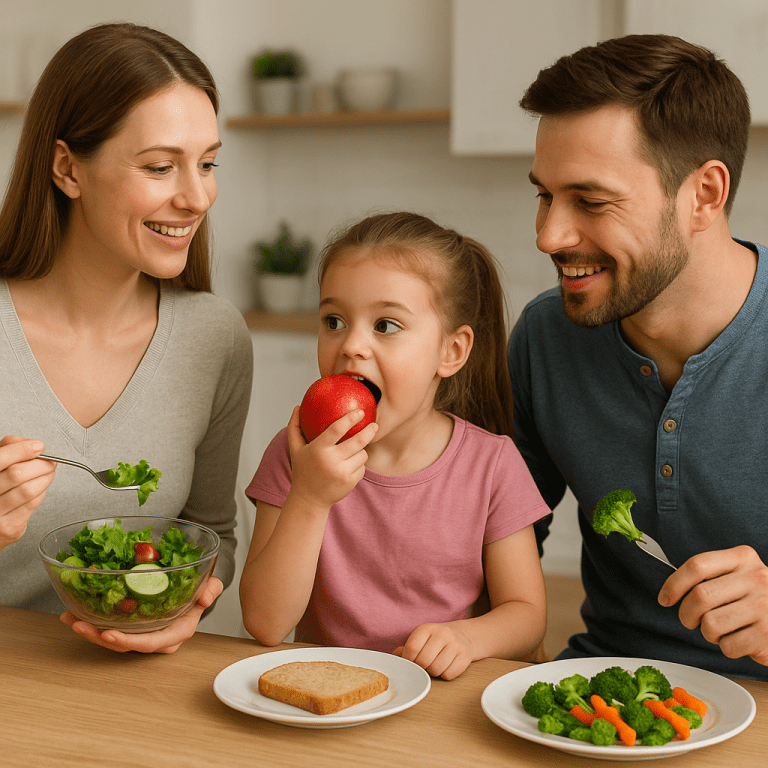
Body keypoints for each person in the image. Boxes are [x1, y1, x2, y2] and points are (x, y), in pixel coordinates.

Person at [507, 33, 768, 679]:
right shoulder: (546, 336)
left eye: (591, 201)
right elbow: (494, 545)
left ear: (704, 194)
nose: (549, 236)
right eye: (544, 195)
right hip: (603, 690)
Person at [0, 23, 253, 653]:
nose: (197, 197)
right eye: (161, 167)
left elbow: (211, 532)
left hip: (135, 688)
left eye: (208, 164)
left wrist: (188, 611)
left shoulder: (214, 337)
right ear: (68, 169)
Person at [240, 212, 550, 679]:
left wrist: (468, 639)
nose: (351, 345)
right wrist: (309, 498)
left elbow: (527, 615)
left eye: (385, 325)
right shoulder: (295, 453)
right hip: (329, 694)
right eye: (334, 321)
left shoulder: (492, 464)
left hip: (439, 696)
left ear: (451, 351)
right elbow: (265, 624)